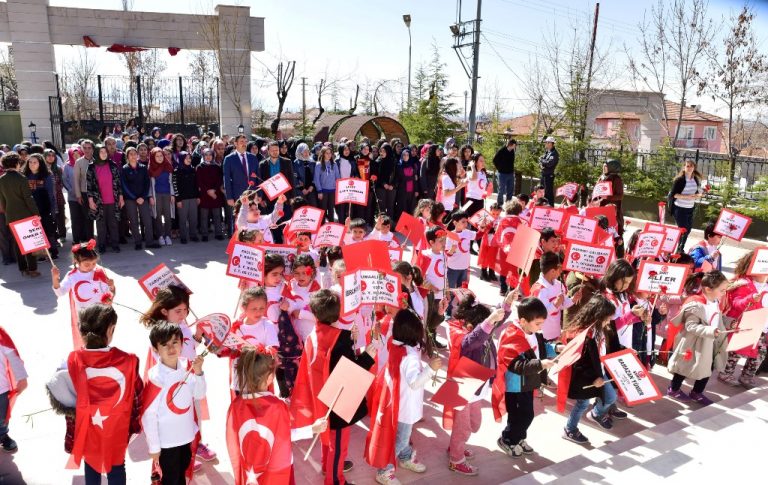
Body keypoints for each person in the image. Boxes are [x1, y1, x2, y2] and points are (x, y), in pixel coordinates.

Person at [46, 304, 143, 485]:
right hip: (117, 429)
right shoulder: (129, 361)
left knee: (91, 464)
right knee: (116, 465)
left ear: (81, 332)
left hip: (87, 429)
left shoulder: (72, 361)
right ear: (111, 329)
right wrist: (135, 426)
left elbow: (67, 400)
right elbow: (138, 397)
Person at [290, 289, 379, 485]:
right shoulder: (341, 338)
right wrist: (368, 356)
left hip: (320, 395)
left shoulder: (315, 333)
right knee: (338, 446)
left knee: (326, 438)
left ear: (315, 313)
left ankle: (326, 466)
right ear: (338, 313)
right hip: (337, 401)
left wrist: (351, 339)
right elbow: (349, 372)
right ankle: (335, 479)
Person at [227, 346, 326, 485]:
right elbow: (286, 435)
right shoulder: (276, 407)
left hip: (250, 470)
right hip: (277, 468)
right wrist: (313, 429)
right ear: (270, 378)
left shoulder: (235, 406)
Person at [365, 309, 442, 485]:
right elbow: (415, 382)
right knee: (400, 439)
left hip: (397, 400)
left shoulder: (395, 343)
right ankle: (384, 470)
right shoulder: (410, 356)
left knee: (403, 435)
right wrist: (431, 369)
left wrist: (376, 335)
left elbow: (383, 344)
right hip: (405, 404)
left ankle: (406, 457)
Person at [444, 293, 510, 475]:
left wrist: (508, 303)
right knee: (463, 426)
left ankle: (455, 445)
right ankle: (456, 459)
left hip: (478, 382)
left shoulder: (480, 328)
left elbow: (496, 319)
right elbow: (472, 341)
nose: (492, 327)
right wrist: (488, 322)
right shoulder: (459, 333)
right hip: (464, 382)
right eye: (489, 324)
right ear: (473, 324)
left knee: (473, 423)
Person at [141, 322, 206, 485]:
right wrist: (154, 447)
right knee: (171, 479)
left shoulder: (187, 367)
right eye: (164, 344)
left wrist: (198, 373)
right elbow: (149, 416)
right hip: (167, 441)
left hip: (186, 436)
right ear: (155, 349)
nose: (171, 349)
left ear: (182, 343)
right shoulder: (156, 377)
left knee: (181, 474)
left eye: (175, 342)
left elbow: (199, 394)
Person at [494, 297, 557, 458]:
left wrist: (557, 348)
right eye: (538, 324)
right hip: (515, 385)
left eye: (542, 323)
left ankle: (519, 437)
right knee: (522, 415)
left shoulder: (532, 331)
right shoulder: (512, 336)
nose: (540, 327)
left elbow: (542, 347)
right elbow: (517, 366)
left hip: (528, 381)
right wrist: (540, 365)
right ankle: (508, 439)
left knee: (525, 414)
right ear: (523, 320)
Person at [558, 295, 617, 444]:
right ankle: (570, 429)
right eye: (607, 318)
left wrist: (627, 353)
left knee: (610, 397)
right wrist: (594, 379)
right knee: (583, 404)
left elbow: (605, 350)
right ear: (597, 316)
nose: (609, 322)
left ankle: (596, 413)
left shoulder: (600, 330)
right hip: (586, 377)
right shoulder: (582, 334)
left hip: (599, 372)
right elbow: (579, 363)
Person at [667, 271, 728, 405]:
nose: (724, 293)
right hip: (693, 343)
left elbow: (717, 320)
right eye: (722, 290)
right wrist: (710, 330)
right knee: (684, 366)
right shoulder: (696, 305)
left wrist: (728, 324)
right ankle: (674, 388)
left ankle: (697, 392)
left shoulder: (715, 302)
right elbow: (691, 326)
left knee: (708, 367)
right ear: (708, 289)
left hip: (710, 341)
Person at [51, 240, 115, 349]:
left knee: (103, 338)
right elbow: (60, 292)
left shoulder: (99, 271)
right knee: (87, 341)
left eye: (94, 263)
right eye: (87, 264)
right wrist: (55, 278)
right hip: (84, 316)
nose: (91, 267)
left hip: (101, 313)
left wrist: (111, 288)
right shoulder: (72, 276)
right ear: (76, 261)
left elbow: (108, 292)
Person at [719, 250, 768, 388]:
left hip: (762, 325)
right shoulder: (743, 284)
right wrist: (751, 298)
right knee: (735, 352)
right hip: (745, 324)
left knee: (759, 354)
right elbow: (737, 304)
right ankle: (725, 372)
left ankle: (747, 376)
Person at [0, 151, 41, 276]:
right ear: (17, 163)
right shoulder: (22, 178)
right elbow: (28, 198)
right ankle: (32, 269)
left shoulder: (1, 179)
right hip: (26, 214)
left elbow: (2, 200)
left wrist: (7, 213)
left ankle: (23, 269)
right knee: (30, 244)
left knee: (18, 244)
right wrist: (36, 213)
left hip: (11, 215)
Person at [86, 145, 124, 253]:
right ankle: (101, 245)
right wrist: (90, 200)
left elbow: (118, 182)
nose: (103, 154)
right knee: (101, 224)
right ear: (97, 153)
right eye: (101, 152)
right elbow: (88, 185)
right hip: (99, 201)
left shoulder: (113, 165)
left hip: (113, 200)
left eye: (105, 152)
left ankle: (115, 244)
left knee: (113, 223)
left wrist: (121, 197)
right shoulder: (91, 167)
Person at [258, 140, 296, 243]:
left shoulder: (287, 162)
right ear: (268, 151)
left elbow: (291, 180)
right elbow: (261, 183)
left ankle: (286, 242)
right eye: (273, 150)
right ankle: (277, 242)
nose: (275, 152)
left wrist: (292, 197)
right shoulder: (262, 164)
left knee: (285, 220)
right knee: (273, 222)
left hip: (284, 197)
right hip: (270, 198)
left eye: (277, 150)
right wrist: (262, 198)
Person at [530, 252, 573, 341]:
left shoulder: (558, 284)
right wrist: (555, 303)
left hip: (556, 331)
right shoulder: (539, 289)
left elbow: (562, 305)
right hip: (542, 334)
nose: (561, 271)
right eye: (560, 268)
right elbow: (541, 313)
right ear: (552, 271)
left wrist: (573, 299)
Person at [22, 153, 59, 259]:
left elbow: (51, 194)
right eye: (30, 162)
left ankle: (53, 251)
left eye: (35, 162)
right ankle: (41, 254)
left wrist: (53, 210)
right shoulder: (24, 175)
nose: (32, 164)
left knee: (48, 230)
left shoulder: (47, 175)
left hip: (44, 207)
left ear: (40, 163)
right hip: (29, 208)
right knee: (35, 232)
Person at [121, 147, 158, 250]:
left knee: (147, 220)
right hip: (130, 199)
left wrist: (142, 196)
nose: (133, 156)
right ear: (127, 156)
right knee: (133, 221)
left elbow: (147, 183)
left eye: (134, 153)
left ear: (137, 155)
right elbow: (124, 186)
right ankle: (137, 242)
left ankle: (149, 242)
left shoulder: (143, 167)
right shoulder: (124, 169)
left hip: (143, 198)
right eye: (130, 154)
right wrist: (134, 197)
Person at [223, 135, 261, 235]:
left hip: (252, 193)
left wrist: (259, 194)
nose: (244, 144)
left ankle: (252, 237)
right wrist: (229, 197)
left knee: (252, 216)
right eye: (241, 142)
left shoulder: (252, 157)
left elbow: (258, 177)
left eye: (245, 141)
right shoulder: (229, 159)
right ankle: (237, 239)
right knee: (238, 218)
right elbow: (226, 179)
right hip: (237, 194)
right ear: (235, 143)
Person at [0, 325, 28, 453]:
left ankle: (2, 435)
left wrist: (21, 377)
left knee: (2, 416)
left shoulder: (1, 334)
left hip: (1, 388)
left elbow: (12, 354)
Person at [669, 159, 703, 252]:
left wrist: (698, 195)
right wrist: (687, 196)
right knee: (683, 230)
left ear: (694, 167)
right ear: (684, 167)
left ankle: (679, 249)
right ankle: (679, 250)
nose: (689, 168)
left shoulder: (695, 179)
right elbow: (674, 194)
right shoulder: (679, 180)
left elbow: (695, 192)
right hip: (679, 208)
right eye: (687, 166)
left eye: (691, 166)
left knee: (688, 230)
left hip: (690, 208)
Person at [195, 148, 225, 242]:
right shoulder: (200, 167)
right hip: (204, 194)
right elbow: (199, 181)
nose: (208, 157)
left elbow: (219, 180)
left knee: (217, 215)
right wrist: (208, 191)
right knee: (204, 216)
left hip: (216, 194)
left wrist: (214, 190)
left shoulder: (217, 167)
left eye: (210, 155)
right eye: (206, 155)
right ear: (203, 156)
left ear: (213, 156)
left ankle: (218, 233)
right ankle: (204, 234)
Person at [172, 152, 199, 244]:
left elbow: (196, 185)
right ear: (181, 159)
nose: (189, 160)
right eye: (186, 158)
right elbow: (175, 186)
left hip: (192, 198)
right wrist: (178, 199)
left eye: (190, 158)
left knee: (193, 218)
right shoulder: (177, 170)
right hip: (182, 199)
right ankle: (183, 236)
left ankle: (193, 235)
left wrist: (198, 196)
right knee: (183, 219)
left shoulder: (193, 169)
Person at [149, 147, 174, 247]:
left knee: (168, 216)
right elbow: (150, 185)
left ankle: (168, 235)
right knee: (157, 216)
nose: (159, 158)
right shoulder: (151, 168)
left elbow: (171, 182)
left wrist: (172, 194)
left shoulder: (168, 166)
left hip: (167, 194)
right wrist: (150, 196)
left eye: (161, 156)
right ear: (153, 157)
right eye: (157, 156)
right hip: (156, 195)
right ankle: (160, 236)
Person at [595, 159, 625, 238]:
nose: (603, 168)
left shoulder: (617, 179)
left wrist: (607, 197)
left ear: (612, 168)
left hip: (611, 210)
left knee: (612, 230)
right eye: (604, 166)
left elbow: (620, 196)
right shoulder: (602, 177)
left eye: (606, 166)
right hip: (600, 207)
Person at [73, 140, 96, 241]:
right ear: (82, 149)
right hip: (84, 193)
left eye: (89, 148)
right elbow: (76, 179)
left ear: (93, 149)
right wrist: (78, 195)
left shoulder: (97, 160)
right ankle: (89, 240)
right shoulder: (79, 162)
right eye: (85, 148)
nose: (87, 150)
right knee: (88, 218)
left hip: (97, 193)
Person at [313, 146, 340, 223]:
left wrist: (338, 189)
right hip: (323, 191)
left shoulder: (334, 164)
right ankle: (322, 226)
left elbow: (337, 177)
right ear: (323, 154)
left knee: (331, 209)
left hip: (332, 190)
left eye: (330, 153)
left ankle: (331, 226)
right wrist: (319, 191)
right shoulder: (319, 164)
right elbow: (316, 179)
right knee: (323, 209)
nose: (329, 155)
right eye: (327, 153)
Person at [373, 143, 397, 219]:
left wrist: (393, 185)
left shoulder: (394, 161)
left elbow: (397, 175)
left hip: (391, 187)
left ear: (388, 151)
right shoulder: (378, 161)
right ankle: (381, 225)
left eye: (384, 151)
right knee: (381, 207)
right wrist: (384, 184)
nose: (381, 153)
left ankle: (390, 224)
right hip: (380, 187)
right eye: (381, 151)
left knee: (390, 206)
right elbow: (377, 175)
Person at [293, 142, 317, 208]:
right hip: (300, 191)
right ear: (300, 152)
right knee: (302, 209)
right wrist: (302, 189)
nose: (307, 153)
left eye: (307, 151)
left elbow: (315, 175)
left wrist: (312, 186)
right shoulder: (296, 163)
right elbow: (295, 177)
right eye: (304, 151)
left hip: (311, 189)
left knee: (313, 207)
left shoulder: (312, 162)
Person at [493, 139, 516, 206]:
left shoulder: (512, 151)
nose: (515, 147)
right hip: (502, 174)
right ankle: (499, 204)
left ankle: (508, 204)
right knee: (501, 190)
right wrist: (499, 168)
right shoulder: (502, 150)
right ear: (511, 145)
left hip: (510, 173)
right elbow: (494, 160)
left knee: (510, 189)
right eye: (514, 145)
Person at [538, 137, 558, 207]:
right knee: (542, 191)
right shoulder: (548, 152)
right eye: (546, 142)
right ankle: (543, 206)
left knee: (548, 192)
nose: (546, 144)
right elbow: (540, 160)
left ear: (551, 144)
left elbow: (549, 164)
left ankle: (551, 207)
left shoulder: (554, 153)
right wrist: (541, 164)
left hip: (549, 175)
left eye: (547, 142)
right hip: (543, 174)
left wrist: (542, 161)